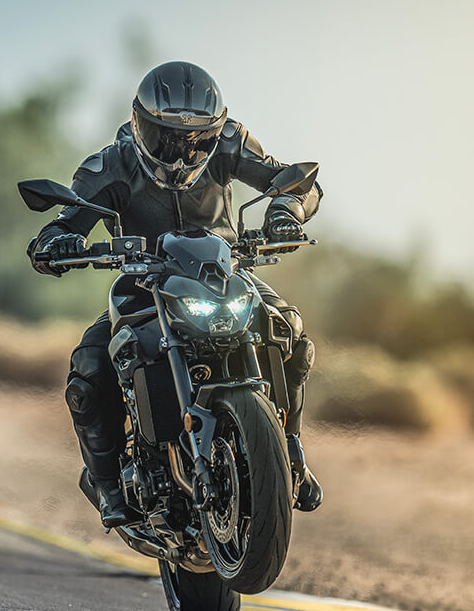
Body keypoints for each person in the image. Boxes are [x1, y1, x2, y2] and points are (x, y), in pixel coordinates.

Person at [27, 60, 323, 528]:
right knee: (90, 366)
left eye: (197, 141)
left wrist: (286, 210)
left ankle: (290, 446)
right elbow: (66, 220)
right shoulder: (110, 165)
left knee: (289, 330)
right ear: (140, 125)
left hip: (222, 273)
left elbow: (297, 182)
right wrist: (57, 240)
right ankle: (108, 485)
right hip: (144, 283)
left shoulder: (232, 143)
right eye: (167, 139)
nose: (183, 154)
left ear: (216, 133)